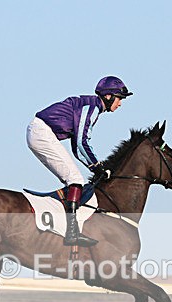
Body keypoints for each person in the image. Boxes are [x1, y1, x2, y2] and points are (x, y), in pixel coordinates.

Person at [27, 76, 132, 246]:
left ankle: (64, 222)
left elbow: (78, 146)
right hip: (42, 133)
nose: (120, 104)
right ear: (108, 96)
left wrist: (95, 166)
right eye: (119, 98)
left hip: (40, 133)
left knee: (72, 180)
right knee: (75, 179)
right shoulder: (92, 107)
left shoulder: (91, 106)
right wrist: (98, 167)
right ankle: (72, 232)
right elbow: (80, 143)